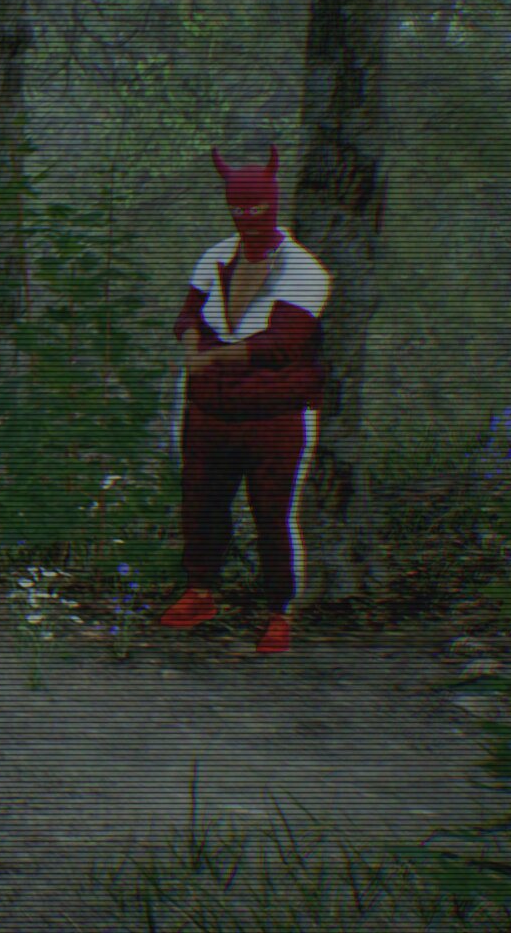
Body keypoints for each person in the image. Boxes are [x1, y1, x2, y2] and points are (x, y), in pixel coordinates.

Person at [159, 145, 332, 655]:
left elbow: (282, 344)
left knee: (273, 513)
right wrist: (192, 345)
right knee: (201, 502)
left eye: (256, 208)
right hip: (209, 410)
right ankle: (200, 591)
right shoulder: (215, 256)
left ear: (272, 205)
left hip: (274, 415)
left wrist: (213, 357)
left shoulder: (305, 270)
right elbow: (187, 315)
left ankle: (279, 612)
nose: (246, 218)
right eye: (237, 208)